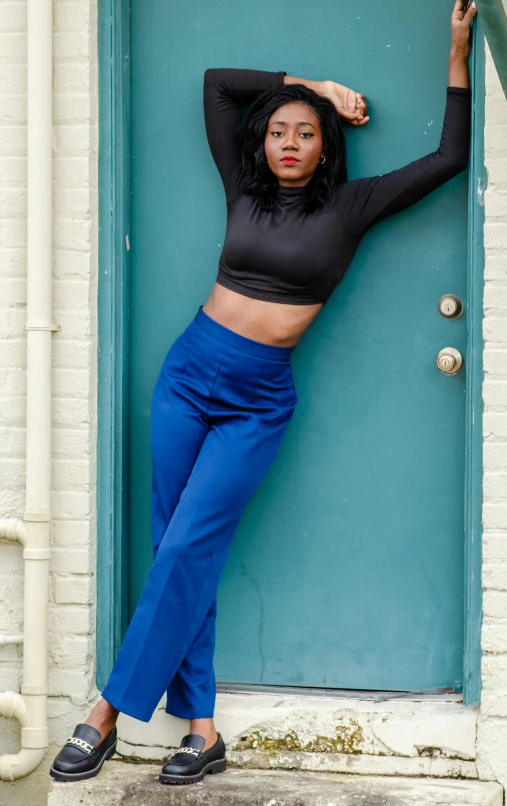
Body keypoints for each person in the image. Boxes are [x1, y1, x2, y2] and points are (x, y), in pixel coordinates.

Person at [50, 0, 476, 787]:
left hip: (255, 400)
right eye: (279, 129)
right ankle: (202, 731)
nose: (288, 142)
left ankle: (105, 713)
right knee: (178, 545)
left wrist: (455, 55)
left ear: (326, 150)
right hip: (187, 374)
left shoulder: (352, 207)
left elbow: (449, 157)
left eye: (305, 132)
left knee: (183, 546)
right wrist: (307, 84)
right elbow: (217, 86)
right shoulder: (241, 188)